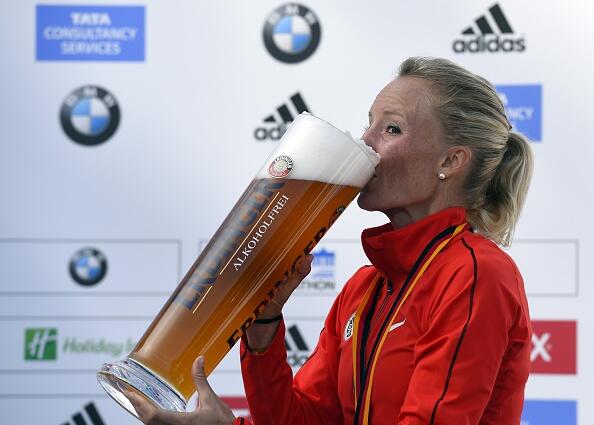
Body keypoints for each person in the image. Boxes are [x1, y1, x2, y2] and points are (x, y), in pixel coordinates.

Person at [127, 57, 534, 425]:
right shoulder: (364, 286)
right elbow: (303, 420)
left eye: (391, 128)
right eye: (368, 124)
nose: (365, 144)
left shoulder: (476, 274)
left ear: (450, 160)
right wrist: (263, 322)